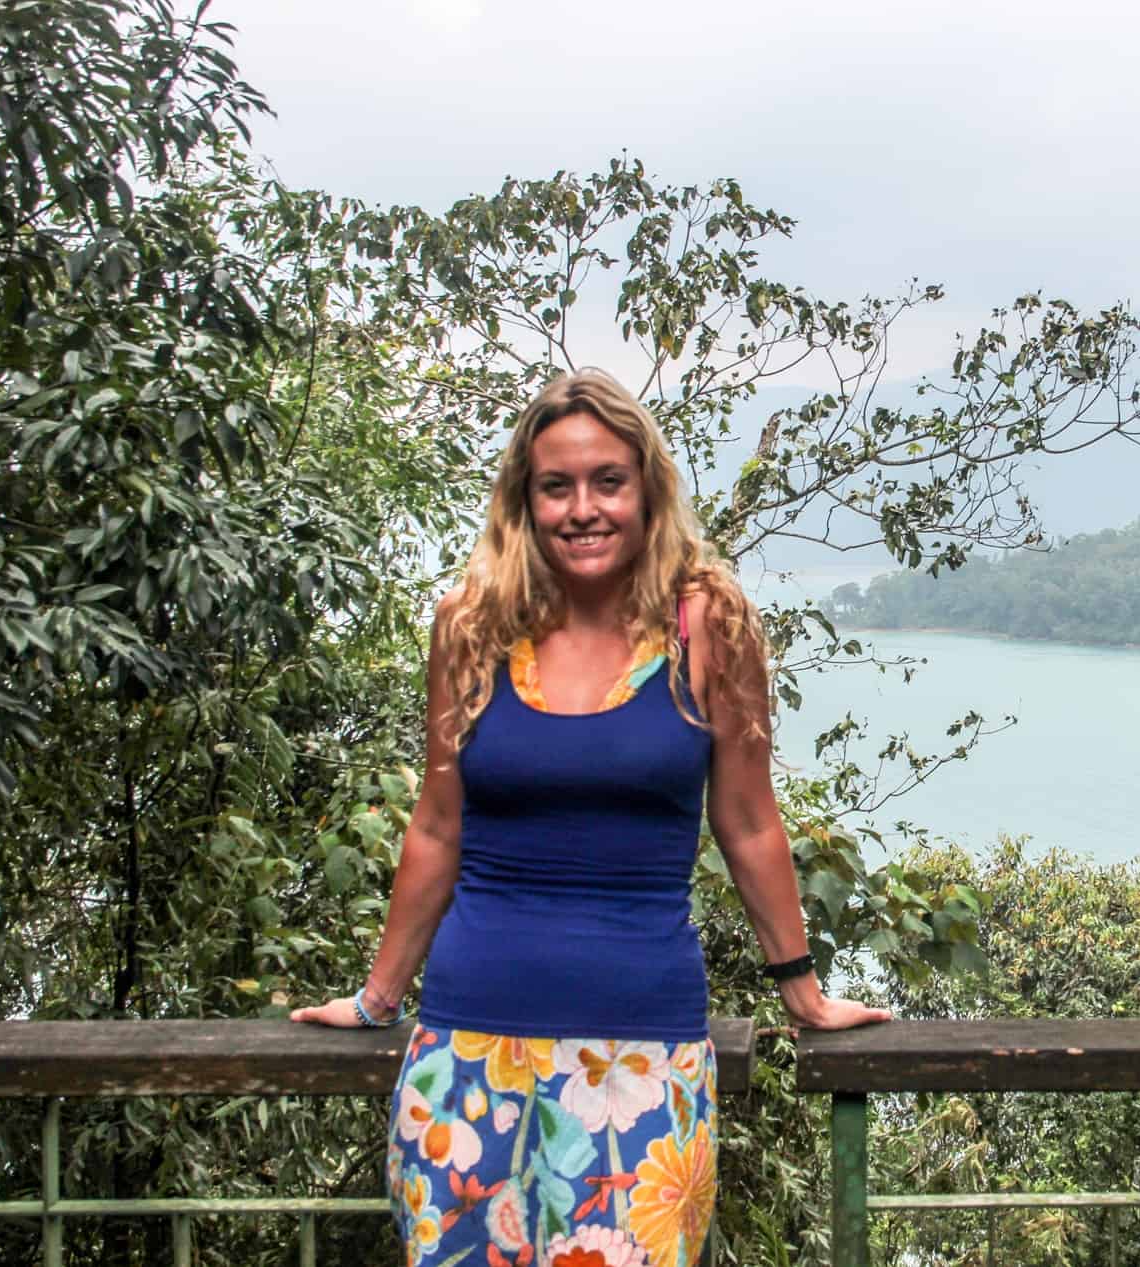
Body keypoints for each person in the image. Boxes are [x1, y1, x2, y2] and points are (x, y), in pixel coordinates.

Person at [292, 369, 891, 1267]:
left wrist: (800, 989)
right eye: (555, 485)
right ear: (523, 502)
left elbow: (748, 819)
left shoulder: (707, 624)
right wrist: (377, 1000)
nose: (583, 507)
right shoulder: (472, 625)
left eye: (607, 481)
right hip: (466, 1053)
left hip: (643, 1054)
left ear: (647, 489)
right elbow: (438, 824)